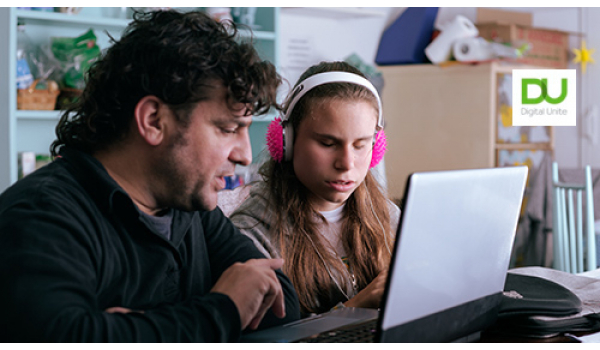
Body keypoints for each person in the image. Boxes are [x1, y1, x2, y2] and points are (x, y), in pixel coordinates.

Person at [0, 10, 300, 342]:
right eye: (228, 128)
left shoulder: (192, 209)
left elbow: (279, 302)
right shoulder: (40, 216)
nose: (244, 153)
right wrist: (223, 308)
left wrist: (138, 329)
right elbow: (66, 339)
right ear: (154, 121)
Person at [230, 61, 400, 316]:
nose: (346, 163)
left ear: (376, 148)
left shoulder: (388, 216)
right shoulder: (251, 234)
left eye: (360, 145)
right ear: (285, 141)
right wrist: (356, 307)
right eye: (328, 143)